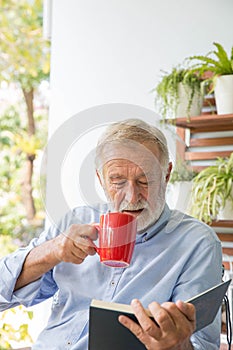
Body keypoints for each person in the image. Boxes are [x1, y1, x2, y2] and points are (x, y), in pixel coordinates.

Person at [0, 118, 222, 349]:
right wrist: (51, 251)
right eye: (117, 181)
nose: (132, 196)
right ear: (101, 179)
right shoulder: (77, 221)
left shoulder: (198, 243)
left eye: (145, 180)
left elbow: (203, 344)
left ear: (166, 176)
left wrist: (176, 346)